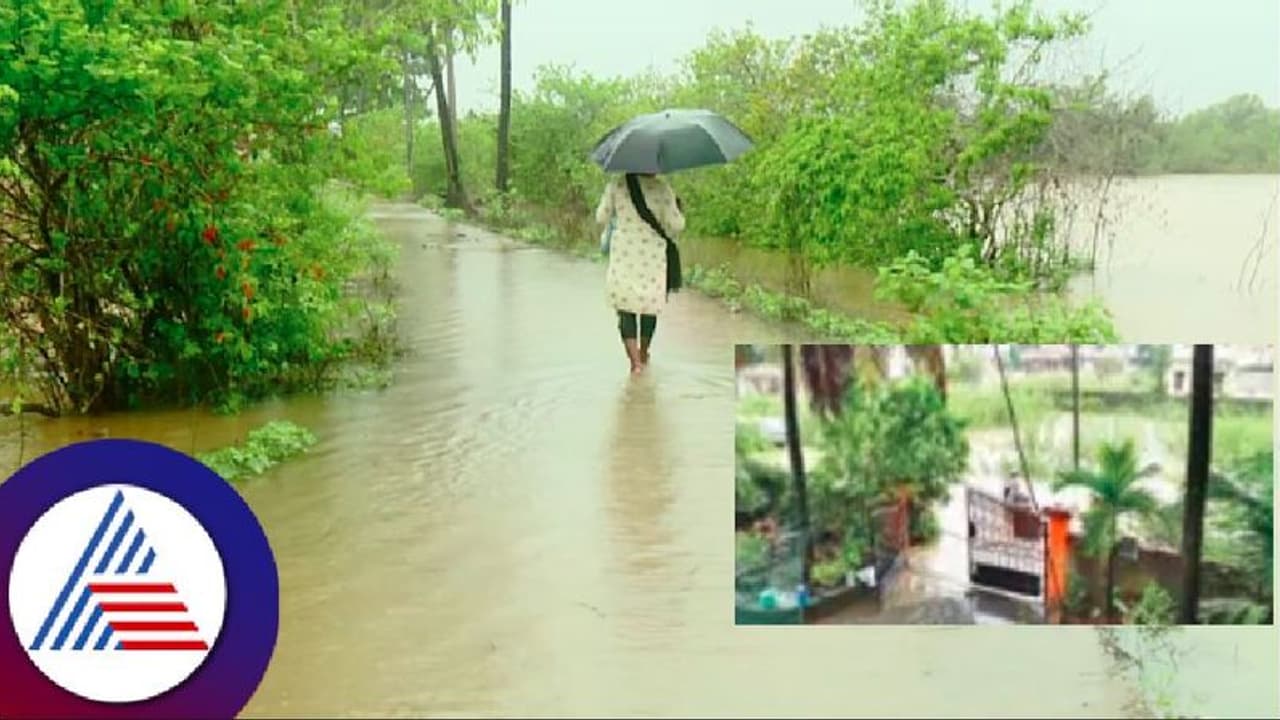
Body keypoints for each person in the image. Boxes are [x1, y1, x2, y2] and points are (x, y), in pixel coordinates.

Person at [595, 172, 685, 374]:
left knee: (626, 308)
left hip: (624, 255)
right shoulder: (663, 189)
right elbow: (677, 225)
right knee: (648, 306)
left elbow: (601, 217)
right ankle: (643, 353)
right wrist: (677, 207)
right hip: (652, 257)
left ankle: (635, 364)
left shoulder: (616, 185)